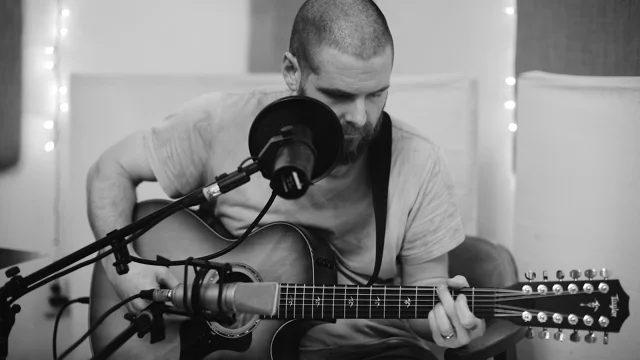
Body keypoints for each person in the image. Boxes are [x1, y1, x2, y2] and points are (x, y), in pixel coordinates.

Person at [86, 0, 486, 358]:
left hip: (365, 350)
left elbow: (427, 292)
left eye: (377, 94)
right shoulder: (221, 122)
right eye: (340, 96)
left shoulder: (418, 160)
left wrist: (451, 322)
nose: (361, 118)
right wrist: (123, 270)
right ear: (293, 72)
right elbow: (109, 171)